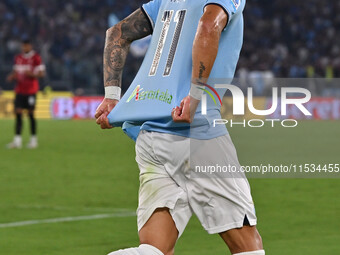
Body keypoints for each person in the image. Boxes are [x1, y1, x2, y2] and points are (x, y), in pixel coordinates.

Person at [96, 0, 264, 254]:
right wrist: (196, 94)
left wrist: (111, 96)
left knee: (154, 249)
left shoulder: (165, 2)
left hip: (151, 138)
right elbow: (208, 25)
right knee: (248, 247)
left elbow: (117, 33)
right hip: (197, 135)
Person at [6, 38, 46, 149]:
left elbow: (42, 74)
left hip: (31, 91)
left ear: (30, 46)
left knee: (30, 114)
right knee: (18, 113)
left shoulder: (36, 58)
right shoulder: (18, 58)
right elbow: (16, 72)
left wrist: (32, 74)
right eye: (23, 46)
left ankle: (33, 140)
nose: (25, 48)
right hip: (19, 90)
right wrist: (12, 76)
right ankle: (17, 141)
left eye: (27, 46)